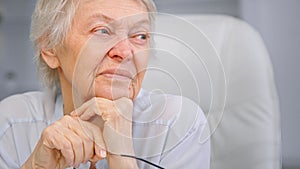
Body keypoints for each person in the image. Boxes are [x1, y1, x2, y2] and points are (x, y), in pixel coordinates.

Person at [0, 0, 210, 168]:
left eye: (140, 36)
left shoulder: (178, 124)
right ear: (50, 48)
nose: (125, 52)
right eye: (102, 31)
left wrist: (123, 158)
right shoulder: (10, 123)